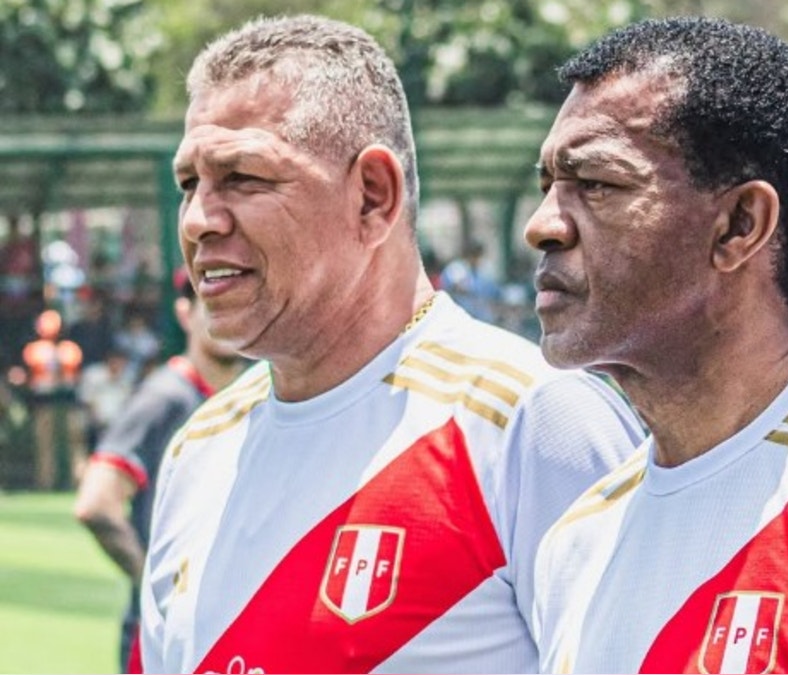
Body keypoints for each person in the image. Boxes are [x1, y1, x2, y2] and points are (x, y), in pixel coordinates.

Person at [140, 15, 643, 674]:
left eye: (243, 177)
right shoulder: (198, 448)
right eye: (189, 184)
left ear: (373, 197)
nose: (201, 218)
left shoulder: (532, 419)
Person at [523, 17, 788, 674]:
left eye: (598, 184)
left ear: (739, 226)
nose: (544, 226)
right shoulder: (579, 539)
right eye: (548, 185)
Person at [73, 271, 245, 672]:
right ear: (186, 313)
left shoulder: (241, 398)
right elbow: (95, 503)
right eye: (210, 300)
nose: (225, 312)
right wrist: (154, 586)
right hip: (160, 638)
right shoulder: (165, 397)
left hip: (215, 627)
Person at [21, 308, 83, 489]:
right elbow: (31, 378)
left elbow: (75, 376)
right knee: (45, 444)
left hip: (68, 401)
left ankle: (76, 482)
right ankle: (46, 483)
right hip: (45, 401)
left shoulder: (70, 349)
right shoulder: (34, 350)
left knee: (75, 442)